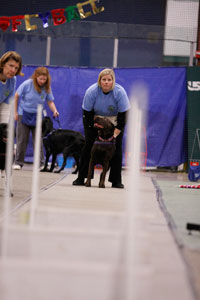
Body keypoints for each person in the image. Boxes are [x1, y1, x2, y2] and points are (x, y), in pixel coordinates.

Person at [73, 68, 130, 188]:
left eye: (109, 80)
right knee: (88, 145)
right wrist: (93, 130)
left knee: (116, 148)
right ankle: (81, 177)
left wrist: (116, 131)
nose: (106, 82)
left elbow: (123, 115)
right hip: (95, 119)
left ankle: (116, 181)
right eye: (104, 79)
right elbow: (87, 113)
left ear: (113, 81)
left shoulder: (120, 92)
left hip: (114, 120)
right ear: (100, 81)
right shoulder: (92, 91)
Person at [13, 67, 59, 170]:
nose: (42, 81)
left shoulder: (47, 88)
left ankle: (40, 163)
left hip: (38, 116)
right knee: (22, 140)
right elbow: (16, 96)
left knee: (38, 140)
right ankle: (18, 162)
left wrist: (54, 110)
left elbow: (50, 101)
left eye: (44, 79)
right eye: (40, 79)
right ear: (35, 77)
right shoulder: (27, 84)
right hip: (23, 114)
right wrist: (15, 112)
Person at [0, 51, 23, 123]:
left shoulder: (12, 80)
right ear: (3, 64)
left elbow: (6, 105)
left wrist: (4, 128)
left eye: (16, 68)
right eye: (11, 66)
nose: (13, 70)